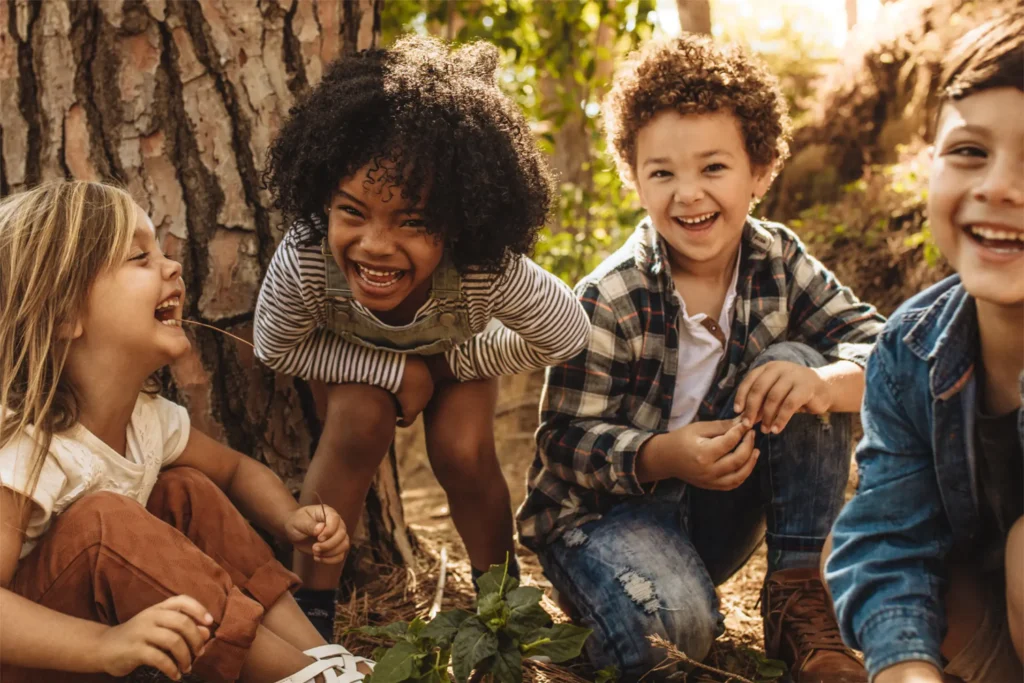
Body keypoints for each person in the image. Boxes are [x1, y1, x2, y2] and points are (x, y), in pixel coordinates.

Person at [516, 34, 885, 682]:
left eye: (713, 168)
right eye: (663, 173)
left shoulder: (778, 259)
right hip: (602, 521)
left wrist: (822, 382)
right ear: (634, 178)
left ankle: (797, 591)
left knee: (799, 363)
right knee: (678, 635)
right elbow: (562, 441)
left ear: (761, 170)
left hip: (717, 513)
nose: (688, 195)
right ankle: (623, 605)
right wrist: (664, 453)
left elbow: (889, 350)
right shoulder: (612, 294)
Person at [254, 35, 590, 638]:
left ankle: (502, 606)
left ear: (460, 223)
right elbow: (274, 346)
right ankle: (312, 617)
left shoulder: (485, 268)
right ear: (323, 198)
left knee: (462, 450)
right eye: (352, 211)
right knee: (358, 422)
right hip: (352, 364)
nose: (376, 244)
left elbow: (564, 332)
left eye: (413, 222)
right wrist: (393, 372)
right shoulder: (306, 257)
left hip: (454, 358)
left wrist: (455, 362)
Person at [0, 181, 373, 683]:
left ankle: (320, 657)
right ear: (66, 312)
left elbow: (236, 469)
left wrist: (289, 520)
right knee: (105, 522)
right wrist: (102, 645)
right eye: (138, 257)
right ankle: (299, 678)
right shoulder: (27, 448)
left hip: (114, 643)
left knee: (186, 490)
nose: (172, 266)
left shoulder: (149, 420)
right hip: (42, 661)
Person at [825, 12, 1024, 683]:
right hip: (1000, 626)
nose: (997, 186)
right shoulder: (911, 347)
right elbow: (888, 546)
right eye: (970, 151)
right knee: (901, 565)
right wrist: (906, 671)